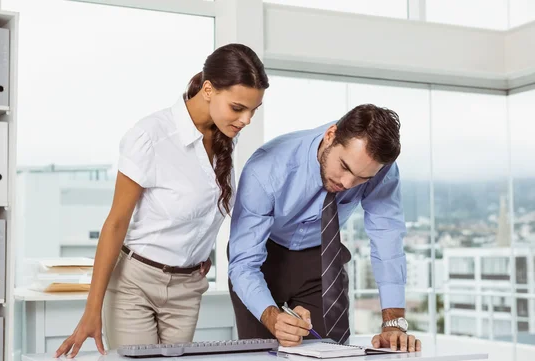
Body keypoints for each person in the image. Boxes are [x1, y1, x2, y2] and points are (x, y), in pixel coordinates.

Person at [54, 43, 268, 359]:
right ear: (208, 90)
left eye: (253, 110)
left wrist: (197, 249)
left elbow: (201, 209)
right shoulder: (151, 136)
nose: (246, 120)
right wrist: (91, 309)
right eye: (238, 108)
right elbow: (115, 224)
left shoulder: (223, 138)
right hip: (135, 285)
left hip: (187, 289)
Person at [228, 104, 422, 352]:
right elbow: (243, 262)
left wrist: (393, 324)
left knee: (332, 352)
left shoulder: (378, 168)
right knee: (260, 353)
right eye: (344, 167)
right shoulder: (266, 169)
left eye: (362, 179)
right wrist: (271, 317)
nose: (348, 183)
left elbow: (387, 238)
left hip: (322, 259)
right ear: (330, 135)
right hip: (262, 259)